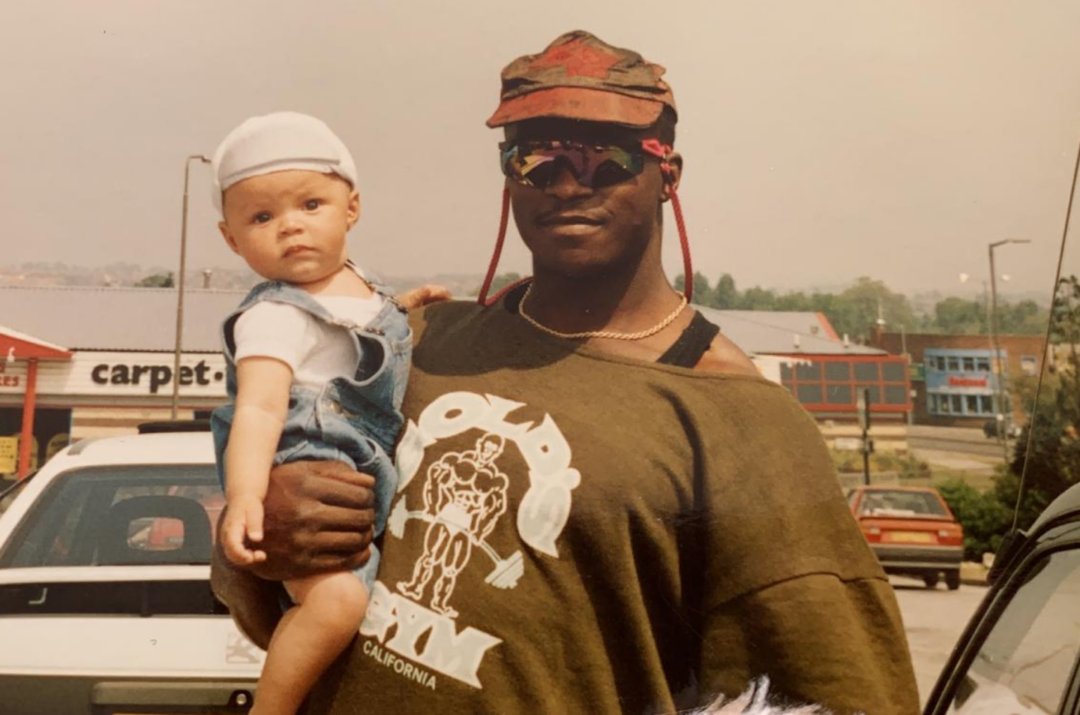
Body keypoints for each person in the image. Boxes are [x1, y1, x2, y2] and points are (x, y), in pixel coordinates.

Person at [212, 32, 920, 715]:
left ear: (667, 173)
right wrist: (265, 532)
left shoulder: (744, 422)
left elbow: (829, 695)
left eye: (605, 158)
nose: (568, 183)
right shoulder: (422, 343)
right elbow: (264, 560)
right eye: (537, 160)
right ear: (508, 176)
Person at [209, 111, 439, 715]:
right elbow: (258, 411)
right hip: (308, 466)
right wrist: (246, 499)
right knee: (335, 603)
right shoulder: (273, 317)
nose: (290, 227)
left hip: (364, 473)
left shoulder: (359, 287)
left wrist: (407, 310)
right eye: (262, 217)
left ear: (351, 208)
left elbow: (361, 334)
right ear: (232, 239)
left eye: (310, 205)